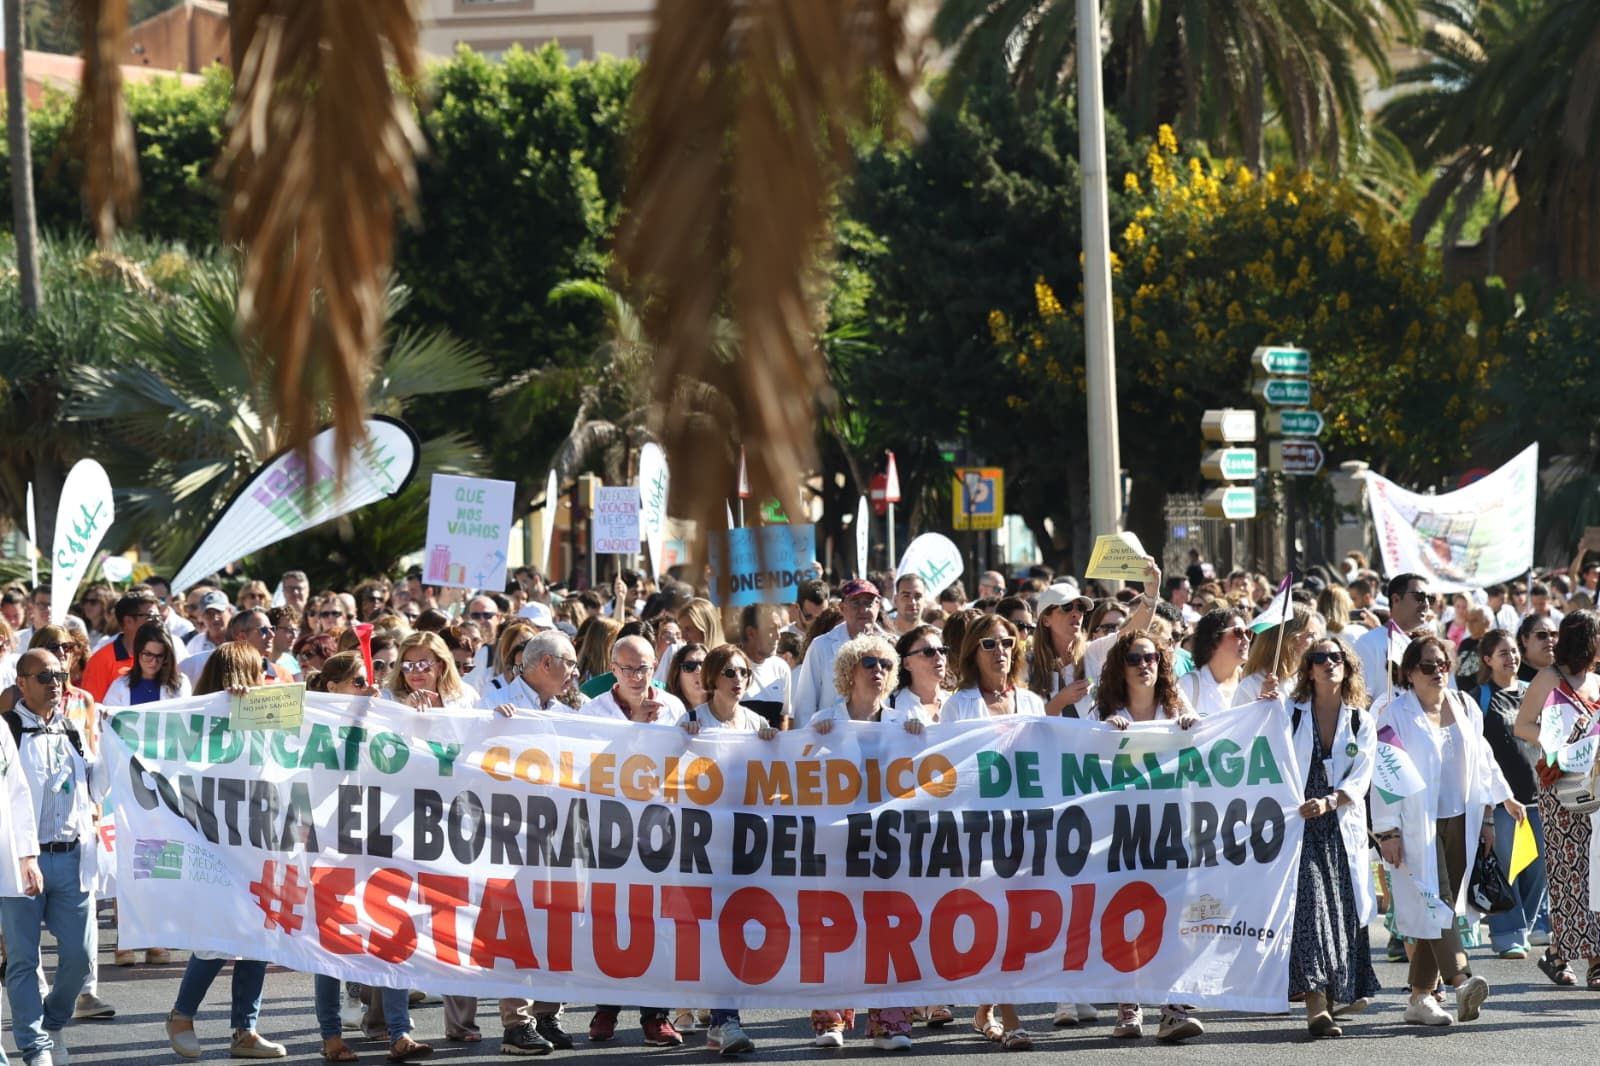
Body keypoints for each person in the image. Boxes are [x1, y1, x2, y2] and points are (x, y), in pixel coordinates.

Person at [1373, 634, 1521, 1026]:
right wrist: (1387, 831)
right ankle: (1461, 980)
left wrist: (1498, 805)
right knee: (1435, 900)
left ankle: (1420, 998)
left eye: (1443, 664)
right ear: (1409, 672)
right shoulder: (1393, 714)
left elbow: (1483, 759)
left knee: (1440, 906)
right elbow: (1385, 775)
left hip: (1462, 818)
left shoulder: (1465, 705)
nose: (1437, 671)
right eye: (1427, 666)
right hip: (1416, 823)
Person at [164, 644, 290, 1060]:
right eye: (256, 672)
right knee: (216, 937)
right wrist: (226, 715)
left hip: (260, 839)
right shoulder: (197, 720)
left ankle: (245, 1029)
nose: (263, 681)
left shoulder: (270, 713)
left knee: (258, 937)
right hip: (215, 843)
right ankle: (182, 1014)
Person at [805, 633, 921, 1050]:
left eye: (886, 665)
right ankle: (831, 1018)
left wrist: (920, 737)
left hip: (888, 840)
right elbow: (795, 775)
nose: (878, 671)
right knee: (835, 925)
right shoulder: (825, 721)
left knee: (888, 927)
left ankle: (889, 1022)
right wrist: (812, 742)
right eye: (869, 663)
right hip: (837, 840)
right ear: (848, 671)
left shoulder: (903, 722)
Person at [1092, 632, 1202, 1042]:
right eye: (1135, 658)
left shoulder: (1176, 705)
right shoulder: (1105, 711)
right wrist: (1102, 733)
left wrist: (1191, 727)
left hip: (1171, 826)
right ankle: (1129, 1004)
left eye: (1152, 657)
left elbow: (1210, 739)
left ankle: (1171, 1007)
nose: (1145, 665)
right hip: (1120, 830)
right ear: (1120, 667)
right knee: (1125, 915)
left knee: (1171, 917)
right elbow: (1080, 756)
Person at [939, 615, 1040, 1050]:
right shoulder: (959, 705)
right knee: (993, 916)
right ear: (972, 653)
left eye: (1007, 643)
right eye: (989, 644)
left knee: (1017, 919)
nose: (1000, 651)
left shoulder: (1032, 702)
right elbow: (946, 767)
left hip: (1026, 826)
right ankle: (1010, 1016)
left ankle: (986, 1009)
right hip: (977, 828)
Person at [0, 648, 103, 1066]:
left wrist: (112, 747)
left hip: (71, 857)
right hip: (19, 861)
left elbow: (95, 787)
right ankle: (35, 1048)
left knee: (80, 958)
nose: (55, 683)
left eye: (60, 675)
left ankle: (52, 1020)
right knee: (23, 959)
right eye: (44, 676)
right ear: (21, 683)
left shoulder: (71, 728)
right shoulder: (9, 729)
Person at [1285, 636, 1381, 1038]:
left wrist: (1330, 801)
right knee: (1311, 907)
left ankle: (1335, 994)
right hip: (1300, 825)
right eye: (1320, 657)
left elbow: (1361, 777)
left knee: (1342, 910)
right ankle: (1315, 1006)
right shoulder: (1289, 714)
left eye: (1336, 657)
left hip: (1339, 824)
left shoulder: (1360, 721)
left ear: (1347, 666)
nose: (1329, 663)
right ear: (1309, 669)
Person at [1514, 609, 1600, 990]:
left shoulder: (1596, 681)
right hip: (1561, 786)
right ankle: (1585, 958)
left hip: (1596, 784)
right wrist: (1562, 744)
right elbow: (1523, 725)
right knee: (1569, 873)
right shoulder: (1550, 678)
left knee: (1596, 872)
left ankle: (1562, 953)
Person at [1473, 629, 1548, 962]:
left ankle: (1524, 927)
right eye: (1503, 653)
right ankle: (1507, 936)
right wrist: (1487, 806)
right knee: (1506, 868)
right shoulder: (1479, 698)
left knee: (1538, 868)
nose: (1512, 658)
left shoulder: (1534, 692)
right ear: (1487, 659)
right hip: (1502, 801)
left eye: (1514, 651)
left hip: (1540, 797)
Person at [791, 578, 881, 726]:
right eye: (856, 603)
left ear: (878, 607)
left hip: (876, 733)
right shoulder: (821, 646)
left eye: (868, 603)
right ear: (842, 608)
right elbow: (805, 704)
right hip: (830, 734)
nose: (863, 610)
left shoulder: (889, 645)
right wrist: (806, 737)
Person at [1356, 573, 1432, 697]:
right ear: (1396, 599)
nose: (1426, 604)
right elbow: (1361, 699)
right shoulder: (1369, 643)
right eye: (1419, 597)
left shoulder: (1424, 645)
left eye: (1430, 598)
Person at [78, 589, 162, 701]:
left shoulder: (165, 654)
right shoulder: (102, 660)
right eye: (151, 617)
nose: (158, 622)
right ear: (128, 621)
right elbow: (92, 705)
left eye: (158, 617)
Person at [583, 636, 685, 725]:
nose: (637, 677)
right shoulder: (592, 713)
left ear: (654, 666)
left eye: (643, 669)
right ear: (614, 669)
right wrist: (634, 724)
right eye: (628, 669)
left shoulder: (673, 708)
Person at [1233, 603, 1319, 705]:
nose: (1316, 641)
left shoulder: (1306, 680)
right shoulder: (1250, 685)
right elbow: (1239, 715)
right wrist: (1262, 703)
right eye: (1310, 635)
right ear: (1290, 638)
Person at [1176, 607, 1253, 715]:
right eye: (1238, 632)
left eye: (1248, 633)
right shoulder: (1188, 685)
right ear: (1214, 638)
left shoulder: (1254, 685)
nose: (1246, 640)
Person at [491, 631, 583, 715]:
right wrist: (493, 721)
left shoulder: (564, 713)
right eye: (570, 664)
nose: (576, 673)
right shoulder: (492, 704)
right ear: (547, 663)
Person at [101, 622, 191, 706]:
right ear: (137, 652)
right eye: (148, 655)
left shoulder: (180, 684)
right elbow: (108, 715)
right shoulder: (119, 686)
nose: (154, 662)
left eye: (159, 656)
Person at [383, 632, 475, 710]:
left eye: (423, 665)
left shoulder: (465, 695)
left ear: (440, 667)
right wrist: (406, 710)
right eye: (408, 665)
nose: (415, 672)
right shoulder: (387, 699)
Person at [738, 604, 790, 726]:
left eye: (779, 628)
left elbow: (784, 717)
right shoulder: (728, 665)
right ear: (751, 633)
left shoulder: (781, 668)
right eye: (771, 629)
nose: (778, 636)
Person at [890, 625, 948, 726]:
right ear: (907, 663)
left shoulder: (957, 701)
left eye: (942, 651)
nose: (939, 656)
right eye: (929, 652)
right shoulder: (891, 705)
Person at [478, 620, 537, 698]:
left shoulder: (543, 686)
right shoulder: (493, 689)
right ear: (507, 651)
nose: (525, 651)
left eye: (531, 645)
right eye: (520, 647)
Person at [1516, 613, 1558, 683]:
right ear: (1525, 640)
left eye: (1553, 634)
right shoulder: (1513, 676)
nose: (1550, 639)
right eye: (1542, 635)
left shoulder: (1565, 673)